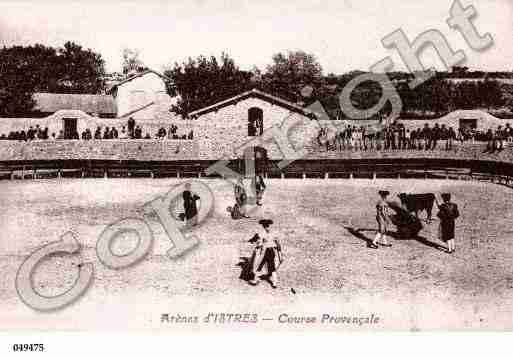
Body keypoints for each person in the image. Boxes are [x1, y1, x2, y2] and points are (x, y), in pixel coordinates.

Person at [248, 219, 283, 288]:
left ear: (263, 226)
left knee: (259, 265)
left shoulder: (261, 233)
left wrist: (252, 241)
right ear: (269, 225)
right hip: (272, 251)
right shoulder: (274, 233)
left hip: (264, 252)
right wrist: (280, 253)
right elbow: (278, 244)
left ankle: (255, 280)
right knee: (272, 267)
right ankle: (274, 283)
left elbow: (256, 240)